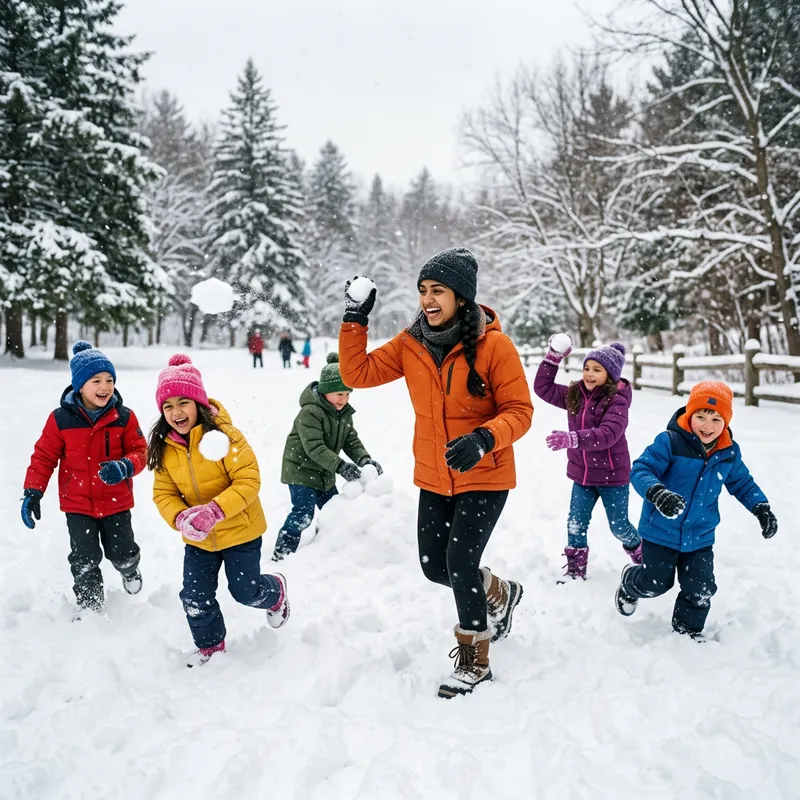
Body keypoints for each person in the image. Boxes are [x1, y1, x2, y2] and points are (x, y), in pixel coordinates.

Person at [339, 247, 532, 698]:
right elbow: (356, 373)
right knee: (433, 566)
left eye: (438, 290)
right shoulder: (412, 344)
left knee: (460, 563)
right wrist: (354, 318)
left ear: (461, 298)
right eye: (423, 290)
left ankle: (474, 660)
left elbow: (520, 411)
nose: (428, 298)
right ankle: (498, 591)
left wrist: (485, 437)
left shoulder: (494, 346)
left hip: (485, 473)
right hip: (435, 473)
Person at [148, 353, 290, 667]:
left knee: (246, 592)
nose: (176, 412)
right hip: (199, 540)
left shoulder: (225, 436)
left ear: (198, 403)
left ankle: (275, 591)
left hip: (240, 531)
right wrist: (179, 517)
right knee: (195, 598)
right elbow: (163, 492)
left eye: (183, 402)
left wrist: (215, 510)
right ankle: (211, 649)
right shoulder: (164, 446)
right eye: (167, 406)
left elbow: (248, 480)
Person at [615, 381, 778, 640]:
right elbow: (641, 470)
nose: (707, 425)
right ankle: (631, 582)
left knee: (700, 588)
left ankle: (687, 632)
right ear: (689, 416)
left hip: (700, 535)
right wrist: (658, 493)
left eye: (716, 419)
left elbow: (742, 483)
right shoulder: (670, 442)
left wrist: (761, 507)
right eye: (700, 416)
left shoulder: (728, 453)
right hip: (661, 531)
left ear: (725, 423)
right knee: (656, 583)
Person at [21, 341, 146, 612]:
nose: (105, 387)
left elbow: (141, 452)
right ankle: (90, 604)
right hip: (77, 504)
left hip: (116, 502)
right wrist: (33, 490)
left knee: (122, 552)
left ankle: (130, 569)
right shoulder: (60, 420)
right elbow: (43, 456)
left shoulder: (123, 417)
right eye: (96, 380)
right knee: (84, 558)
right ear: (79, 385)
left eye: (110, 380)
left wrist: (125, 466)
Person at [533, 334, 642, 580]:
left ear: (611, 375)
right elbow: (543, 388)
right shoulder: (575, 394)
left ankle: (641, 552)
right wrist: (553, 358)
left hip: (612, 476)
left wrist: (573, 438)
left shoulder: (617, 401)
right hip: (582, 475)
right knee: (575, 524)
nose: (590, 374)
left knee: (619, 527)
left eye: (597, 370)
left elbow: (608, 434)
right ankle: (575, 570)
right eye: (587, 368)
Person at [272, 352, 383, 561]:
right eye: (339, 394)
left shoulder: (343, 414)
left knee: (334, 511)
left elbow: (351, 441)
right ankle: (283, 552)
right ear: (325, 392)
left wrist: (364, 459)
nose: (344, 399)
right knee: (302, 516)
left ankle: (324, 548)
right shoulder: (310, 412)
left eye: (347, 394)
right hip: (301, 471)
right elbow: (314, 448)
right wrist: (341, 466)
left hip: (324, 471)